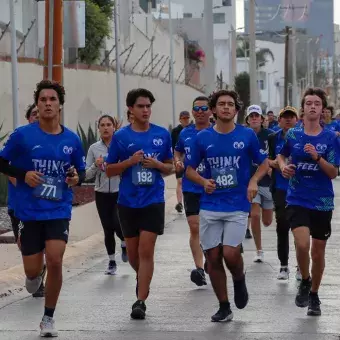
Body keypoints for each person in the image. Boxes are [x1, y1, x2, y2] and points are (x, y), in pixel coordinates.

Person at [0, 80, 86, 336]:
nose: (48, 104)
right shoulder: (22, 135)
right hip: (28, 211)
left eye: (52, 100)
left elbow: (79, 170)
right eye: (43, 100)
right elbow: (2, 162)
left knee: (56, 260)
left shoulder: (72, 139)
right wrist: (24, 174)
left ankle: (48, 318)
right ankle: (33, 275)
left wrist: (75, 178)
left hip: (58, 208)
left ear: (60, 105)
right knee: (32, 271)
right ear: (37, 105)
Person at [186, 90, 269, 322]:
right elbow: (189, 169)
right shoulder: (201, 138)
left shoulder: (247, 135)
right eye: (221, 104)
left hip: (237, 204)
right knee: (212, 258)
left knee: (231, 253)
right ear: (213, 109)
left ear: (236, 110)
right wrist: (203, 181)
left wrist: (253, 181)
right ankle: (224, 306)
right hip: (211, 204)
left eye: (230, 104)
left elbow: (264, 164)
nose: (225, 107)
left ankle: (239, 279)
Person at [106, 88, 173, 320]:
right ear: (131, 110)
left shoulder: (162, 134)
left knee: (146, 251)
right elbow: (109, 169)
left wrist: (158, 165)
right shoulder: (121, 137)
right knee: (134, 255)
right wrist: (129, 162)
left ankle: (140, 301)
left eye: (148, 106)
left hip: (153, 200)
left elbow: (171, 166)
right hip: (127, 202)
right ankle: (142, 277)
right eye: (141, 106)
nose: (146, 110)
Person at [277, 88, 340, 316]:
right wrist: (284, 167)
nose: (313, 106)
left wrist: (317, 157)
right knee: (302, 244)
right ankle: (305, 279)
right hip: (297, 198)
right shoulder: (293, 135)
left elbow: (333, 172)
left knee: (318, 253)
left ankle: (314, 294)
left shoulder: (331, 138)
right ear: (302, 108)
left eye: (317, 103)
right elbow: (281, 156)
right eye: (309, 103)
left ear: (323, 109)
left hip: (322, 201)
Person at [7, 104, 46, 298]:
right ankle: (36, 267)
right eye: (33, 114)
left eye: (39, 115)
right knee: (24, 244)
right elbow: (9, 170)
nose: (37, 117)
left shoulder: (51, 141)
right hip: (19, 204)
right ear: (28, 117)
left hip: (45, 205)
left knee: (44, 241)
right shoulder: (20, 140)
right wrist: (25, 181)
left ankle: (38, 278)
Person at [174, 96, 210, 286]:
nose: (200, 111)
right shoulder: (185, 133)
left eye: (204, 108)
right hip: (191, 186)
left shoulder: (216, 132)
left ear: (211, 111)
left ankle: (211, 257)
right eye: (197, 108)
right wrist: (178, 160)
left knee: (211, 228)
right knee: (195, 227)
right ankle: (200, 269)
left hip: (212, 187)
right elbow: (178, 150)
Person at [86, 115, 128, 275]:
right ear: (98, 128)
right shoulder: (93, 148)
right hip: (101, 193)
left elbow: (127, 166)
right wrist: (96, 166)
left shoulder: (121, 146)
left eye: (108, 124)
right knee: (107, 228)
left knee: (117, 223)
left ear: (114, 127)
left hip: (119, 191)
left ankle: (124, 243)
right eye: (102, 125)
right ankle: (111, 261)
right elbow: (87, 174)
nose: (105, 128)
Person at [268, 106, 298, 280]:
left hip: (300, 189)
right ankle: (284, 265)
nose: (288, 120)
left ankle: (301, 267)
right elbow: (268, 159)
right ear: (279, 121)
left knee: (300, 228)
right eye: (285, 117)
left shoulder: (303, 136)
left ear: (297, 119)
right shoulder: (273, 138)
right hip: (280, 188)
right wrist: (280, 165)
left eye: (291, 117)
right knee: (282, 227)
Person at [246, 105, 274, 263]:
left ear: (262, 119)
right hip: (252, 182)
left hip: (268, 183)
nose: (254, 118)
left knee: (267, 221)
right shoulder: (244, 135)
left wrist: (272, 165)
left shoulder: (270, 135)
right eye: (252, 116)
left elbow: (278, 155)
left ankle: (266, 213)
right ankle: (259, 250)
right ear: (248, 120)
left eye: (257, 116)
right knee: (255, 215)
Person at [171, 111, 191, 213]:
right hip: (179, 159)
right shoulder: (175, 131)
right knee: (180, 181)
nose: (185, 120)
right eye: (183, 118)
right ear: (180, 119)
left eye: (187, 118)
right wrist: (175, 159)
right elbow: (173, 147)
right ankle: (179, 203)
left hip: (191, 159)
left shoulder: (193, 129)